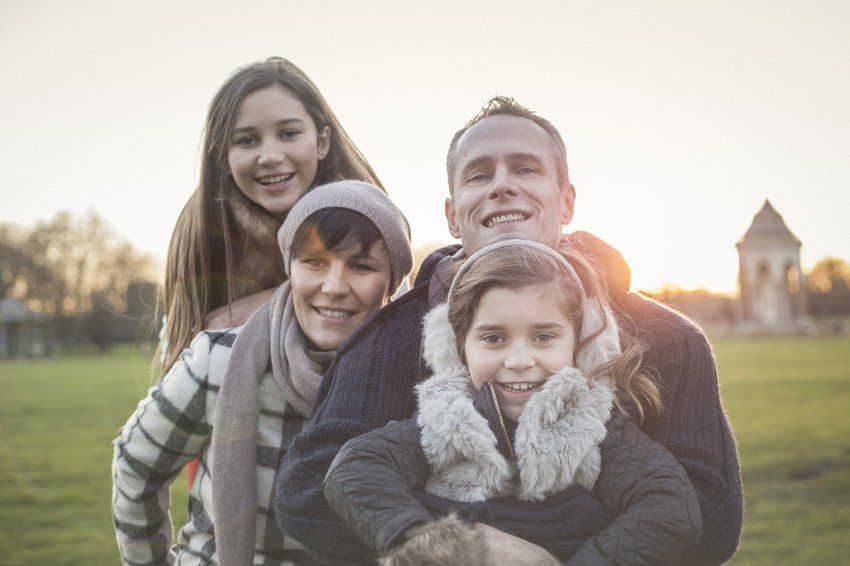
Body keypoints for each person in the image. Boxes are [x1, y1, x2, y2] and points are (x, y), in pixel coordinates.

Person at [277, 97, 743, 564]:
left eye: (525, 169)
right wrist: (475, 547)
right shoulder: (387, 340)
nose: (502, 186)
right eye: (479, 175)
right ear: (452, 215)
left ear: (567, 201)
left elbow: (710, 518)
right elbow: (308, 496)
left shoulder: (668, 341)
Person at [324, 239, 703, 564]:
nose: (519, 361)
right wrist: (433, 545)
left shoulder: (597, 429)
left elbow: (669, 508)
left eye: (543, 337)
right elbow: (355, 470)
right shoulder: (444, 423)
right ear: (458, 349)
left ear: (579, 344)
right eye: (493, 339)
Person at [112, 181, 413, 565]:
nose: (333, 286)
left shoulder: (412, 381)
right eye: (315, 262)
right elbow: (136, 466)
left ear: (391, 283)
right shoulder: (217, 359)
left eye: (361, 266)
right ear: (289, 266)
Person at [159, 56, 383, 376]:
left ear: (322, 142)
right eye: (248, 140)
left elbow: (386, 309)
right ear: (223, 157)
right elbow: (184, 347)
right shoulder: (203, 228)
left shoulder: (364, 217)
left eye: (289, 133)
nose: (271, 157)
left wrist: (273, 302)